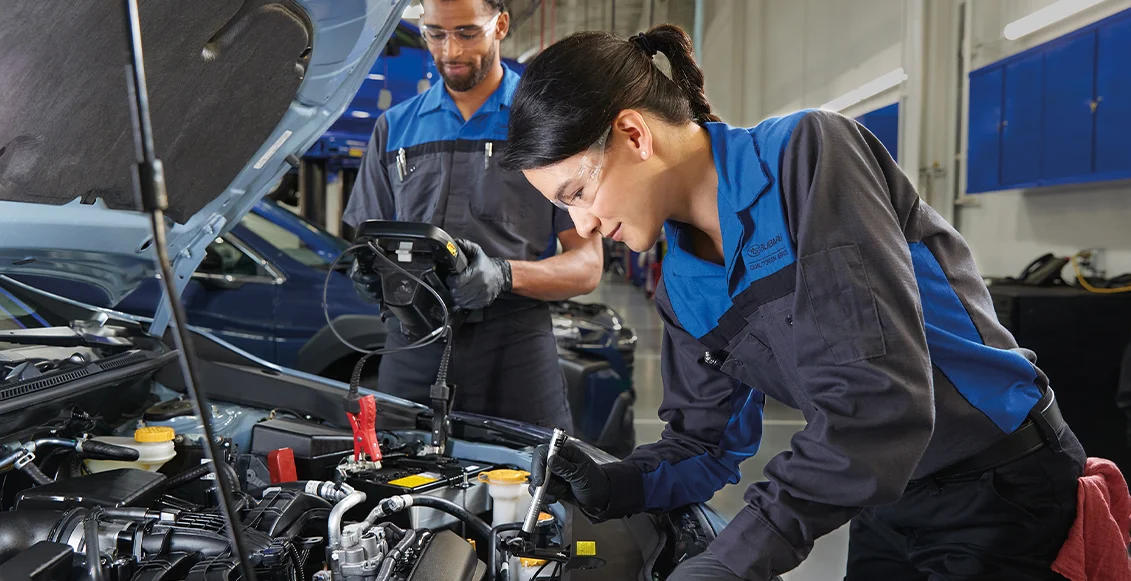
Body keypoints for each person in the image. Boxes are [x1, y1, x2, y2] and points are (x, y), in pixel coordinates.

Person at [500, 24, 1096, 581]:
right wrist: (617, 483)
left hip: (1002, 489)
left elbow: (878, 404)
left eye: (578, 192)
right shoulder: (682, 288)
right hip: (880, 493)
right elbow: (706, 445)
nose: (584, 223)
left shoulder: (807, 158)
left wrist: (733, 562)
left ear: (635, 134)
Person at [342, 0, 602, 431]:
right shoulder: (394, 129)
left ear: (500, 25)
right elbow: (367, 244)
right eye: (436, 34)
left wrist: (504, 274)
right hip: (412, 343)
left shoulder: (544, 125)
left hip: (515, 347)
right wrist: (369, 274)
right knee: (397, 482)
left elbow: (588, 266)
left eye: (466, 33)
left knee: (537, 484)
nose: (450, 52)